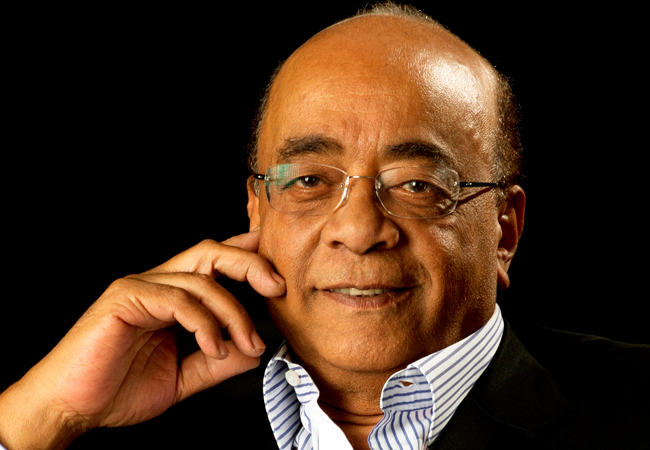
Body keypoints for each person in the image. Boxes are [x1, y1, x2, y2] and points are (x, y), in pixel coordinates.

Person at [1, 3, 648, 449]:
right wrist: (42, 417)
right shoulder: (123, 413)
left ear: (505, 231)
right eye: (309, 181)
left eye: (417, 186)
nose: (360, 230)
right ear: (257, 212)